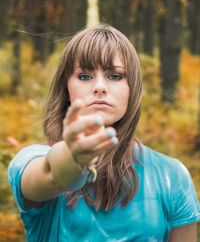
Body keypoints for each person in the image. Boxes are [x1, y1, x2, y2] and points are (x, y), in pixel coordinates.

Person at [8, 24, 199, 242]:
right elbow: (53, 175)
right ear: (67, 89)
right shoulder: (29, 161)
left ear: (132, 88)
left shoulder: (171, 175)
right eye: (85, 76)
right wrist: (74, 159)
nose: (99, 86)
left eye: (115, 76)